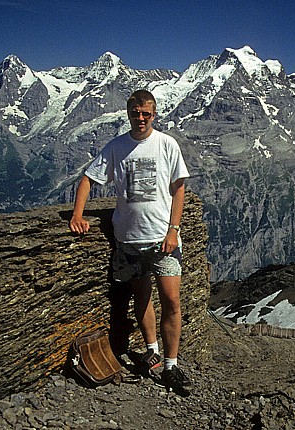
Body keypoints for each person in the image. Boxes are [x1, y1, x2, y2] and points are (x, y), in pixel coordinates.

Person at [69, 90, 191, 393]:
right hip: (129, 239)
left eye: (146, 113)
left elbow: (179, 188)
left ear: (154, 114)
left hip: (163, 239)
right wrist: (77, 215)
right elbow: (87, 179)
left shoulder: (167, 144)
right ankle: (151, 350)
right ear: (128, 113)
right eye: (136, 113)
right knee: (142, 298)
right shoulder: (117, 147)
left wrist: (174, 229)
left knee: (172, 301)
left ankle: (171, 366)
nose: (141, 118)